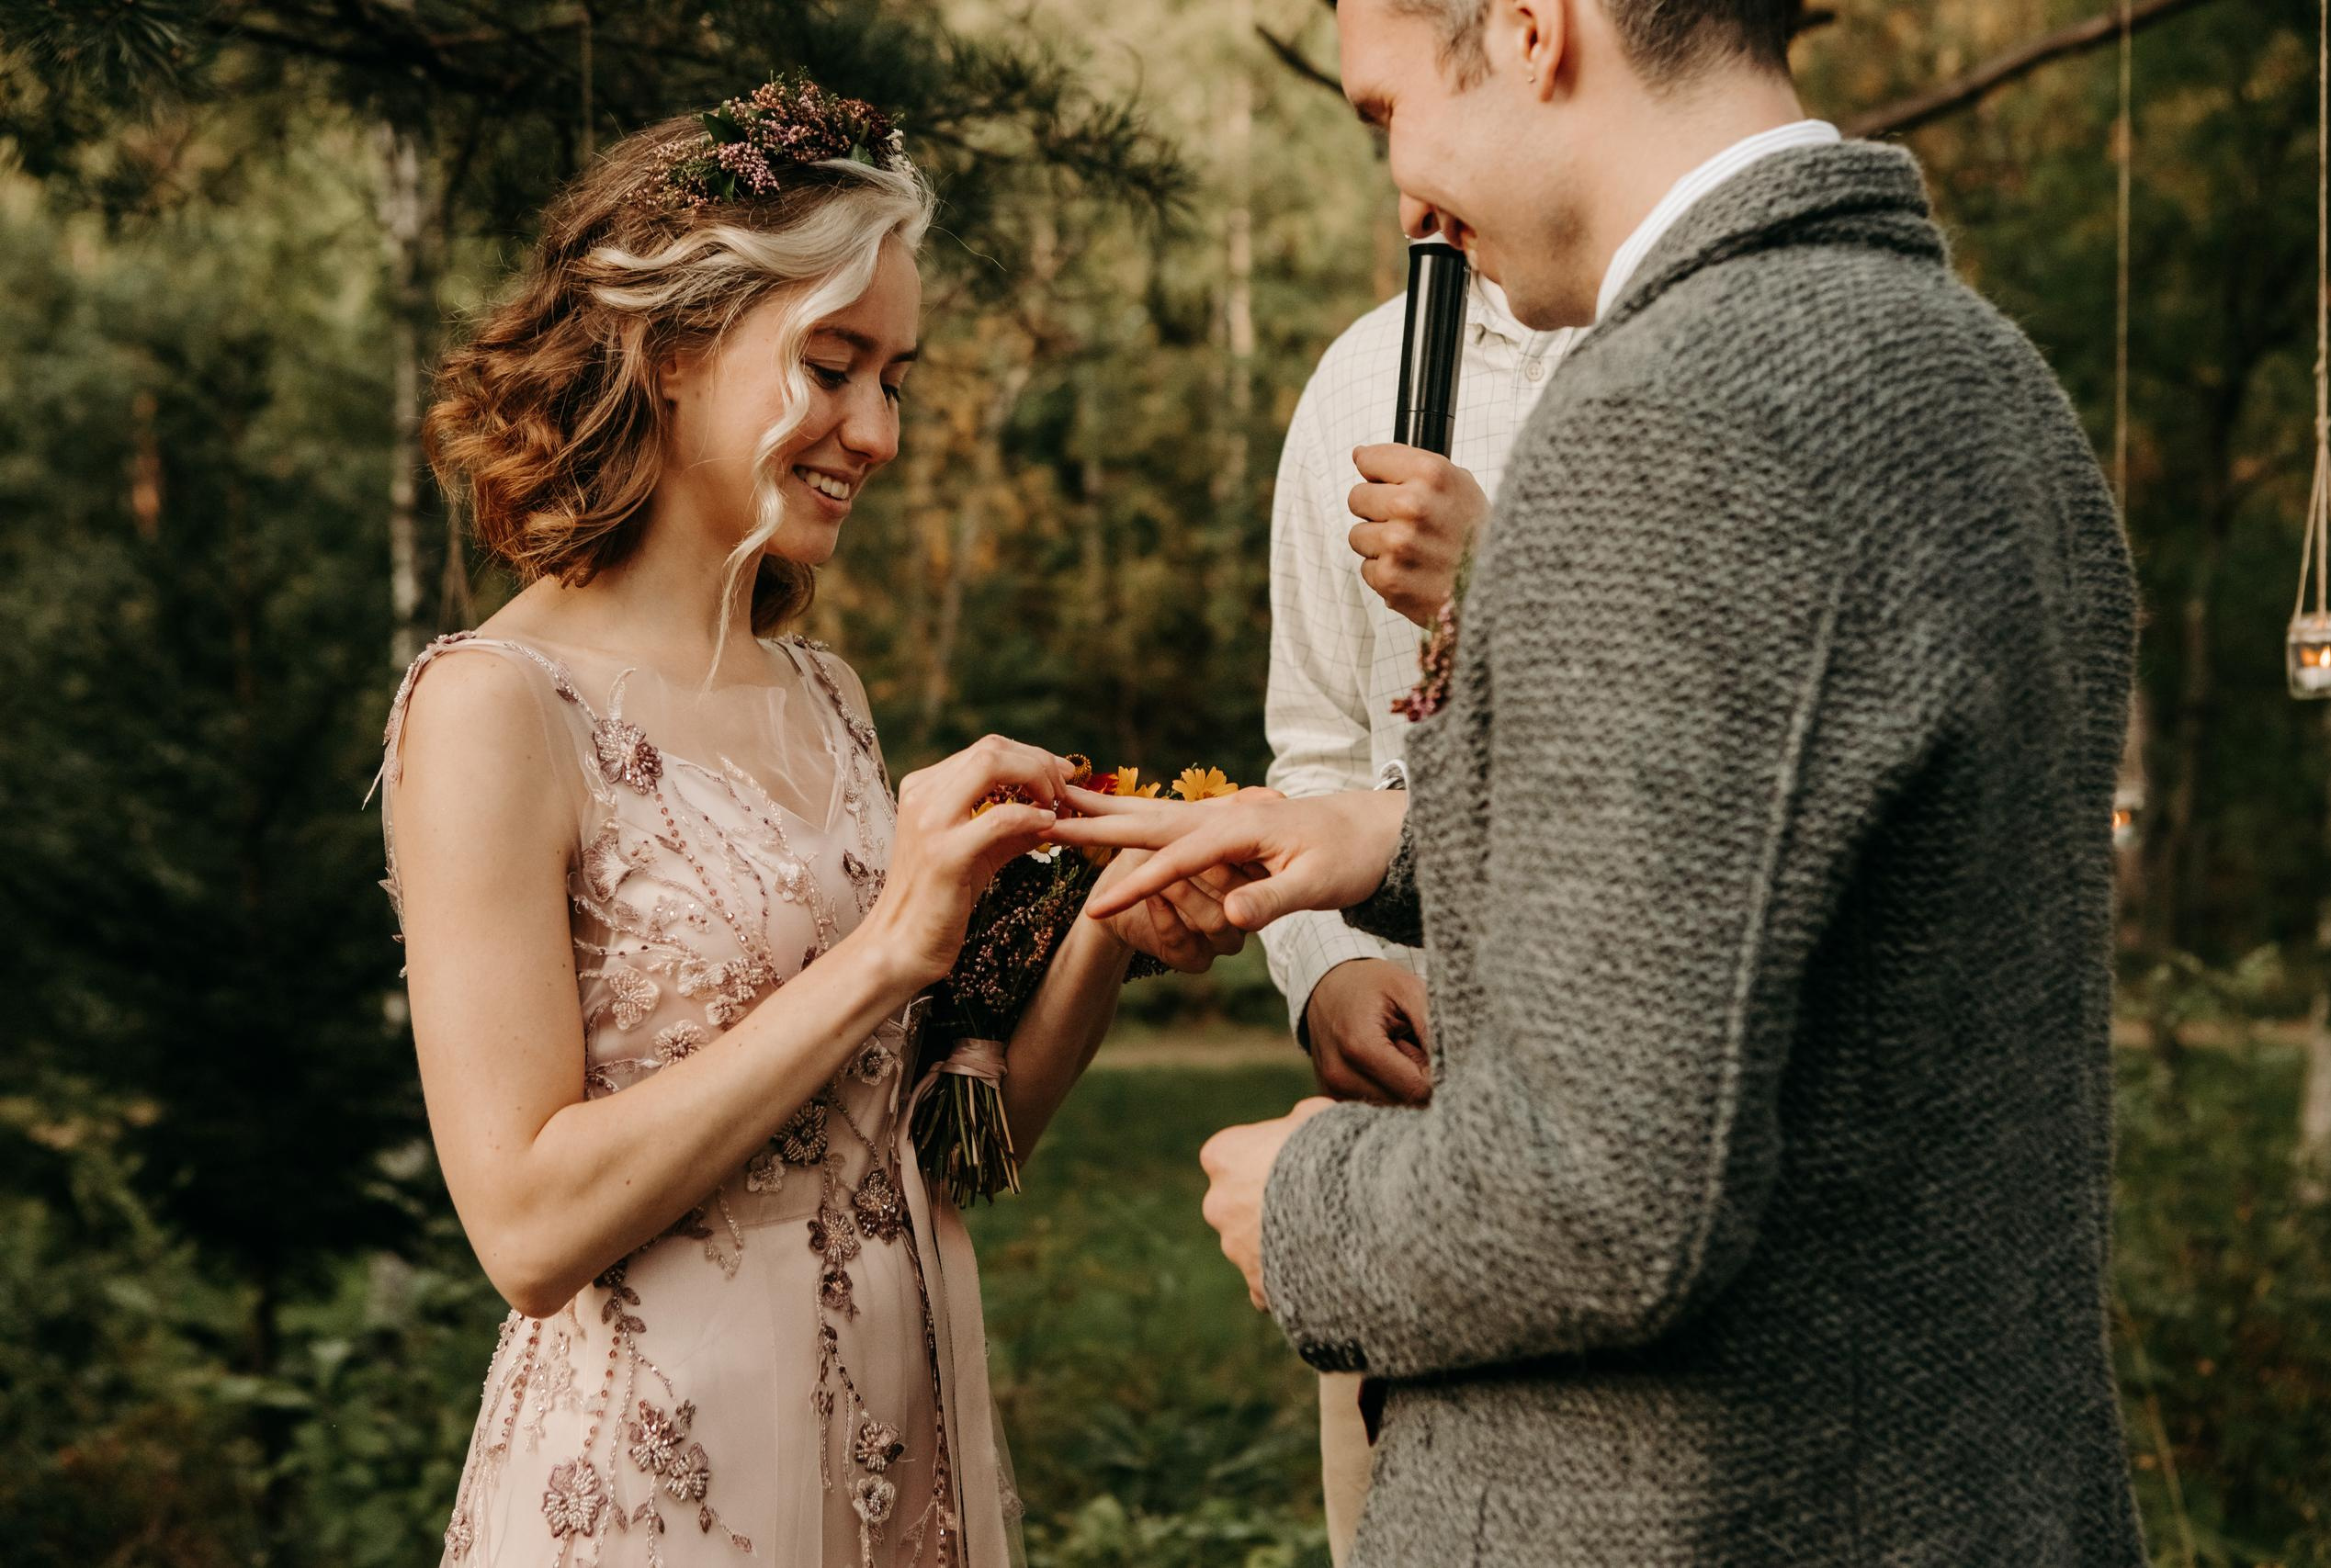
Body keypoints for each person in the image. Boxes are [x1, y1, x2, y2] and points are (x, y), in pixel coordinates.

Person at [1055, 0, 2148, 1562]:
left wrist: (1310, 1204)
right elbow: (1800, 862)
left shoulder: (1662, 416)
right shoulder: (1983, 380)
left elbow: (1596, 1201)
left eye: (1383, 114)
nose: (1407, 195)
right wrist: (1380, 840)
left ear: (1527, 27)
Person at [375, 81, 1240, 1568]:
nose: (878, 431)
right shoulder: (492, 708)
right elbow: (523, 1228)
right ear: (672, 349)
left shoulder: (820, 692)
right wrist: (891, 951)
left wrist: (1102, 927)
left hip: (904, 1462)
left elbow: (921, 1158)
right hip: (667, 1491)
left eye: (895, 376)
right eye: (833, 365)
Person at [1260, 272, 1568, 1563]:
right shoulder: (1355, 379)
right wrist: (1325, 968)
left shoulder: (1699, 359)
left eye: (1407, 111)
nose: (1408, 181)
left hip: (1598, 1141)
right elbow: (1314, 748)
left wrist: (1497, 580)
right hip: (1403, 1143)